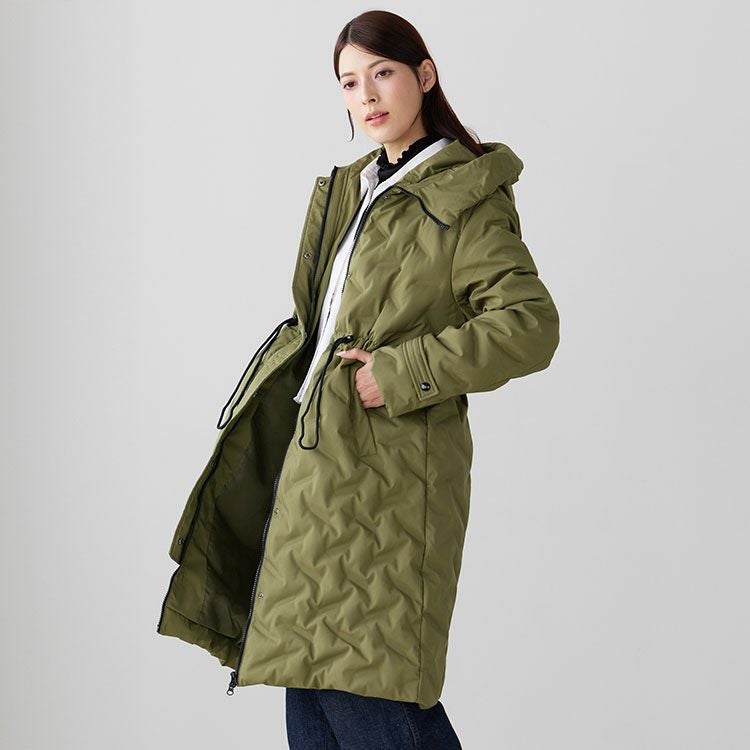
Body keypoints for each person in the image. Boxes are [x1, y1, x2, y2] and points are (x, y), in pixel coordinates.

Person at [157, 10, 560, 749]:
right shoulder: (355, 188)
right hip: (314, 468)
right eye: (349, 81)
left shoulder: (462, 198)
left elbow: (530, 325)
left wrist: (404, 371)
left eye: (383, 72)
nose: (366, 95)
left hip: (389, 479)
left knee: (369, 687)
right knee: (310, 689)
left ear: (424, 76)